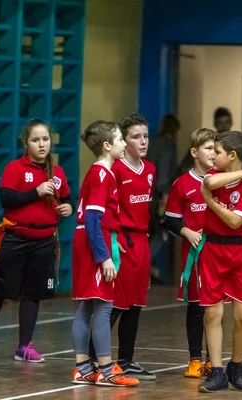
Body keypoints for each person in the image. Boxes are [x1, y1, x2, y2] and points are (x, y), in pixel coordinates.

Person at [0, 119, 73, 362]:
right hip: (16, 239)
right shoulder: (15, 169)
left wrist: (67, 208)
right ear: (26, 143)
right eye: (35, 140)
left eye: (45, 139)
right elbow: (7, 200)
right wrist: (36, 192)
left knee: (33, 294)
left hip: (44, 242)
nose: (41, 144)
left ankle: (24, 347)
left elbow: (68, 199)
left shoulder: (57, 172)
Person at [87, 113, 156, 380]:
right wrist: (113, 240)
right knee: (115, 304)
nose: (142, 141)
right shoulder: (113, 169)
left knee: (136, 304)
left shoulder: (150, 169)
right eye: (135, 137)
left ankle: (126, 359)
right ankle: (94, 360)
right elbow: (103, 209)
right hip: (121, 241)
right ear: (123, 141)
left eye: (145, 136)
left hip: (141, 241)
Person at [70, 120, 139, 387]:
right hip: (92, 243)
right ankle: (107, 370)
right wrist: (103, 256)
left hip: (90, 240)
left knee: (87, 305)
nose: (125, 144)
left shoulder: (98, 172)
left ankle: (83, 368)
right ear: (108, 145)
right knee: (103, 306)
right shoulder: (102, 174)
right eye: (121, 139)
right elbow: (92, 219)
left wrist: (112, 242)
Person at [197, 131, 242, 393]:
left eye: (218, 151)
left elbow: (236, 221)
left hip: (241, 254)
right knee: (213, 313)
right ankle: (217, 370)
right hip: (213, 251)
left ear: (232, 156)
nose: (212, 155)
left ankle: (237, 365)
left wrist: (211, 204)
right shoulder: (216, 177)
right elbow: (209, 184)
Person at [164, 128, 216, 378]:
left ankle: (213, 360)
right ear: (195, 152)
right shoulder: (182, 184)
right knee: (196, 307)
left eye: (216, 149)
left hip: (220, 254)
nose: (214, 154)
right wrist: (187, 231)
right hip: (195, 255)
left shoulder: (224, 180)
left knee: (215, 309)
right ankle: (195, 359)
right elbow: (171, 220)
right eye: (208, 149)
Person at [145, 114, 180, 285]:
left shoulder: (152, 142)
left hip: (146, 194)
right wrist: (166, 194)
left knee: (149, 233)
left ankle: (143, 268)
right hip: (158, 196)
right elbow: (163, 175)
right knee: (162, 234)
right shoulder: (167, 145)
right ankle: (144, 267)